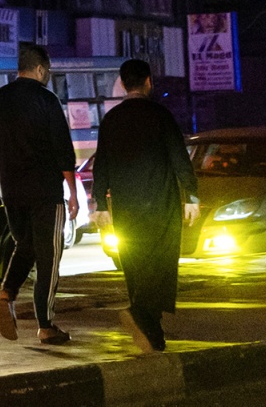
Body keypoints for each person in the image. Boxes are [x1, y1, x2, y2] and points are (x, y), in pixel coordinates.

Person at [91, 58, 198, 353]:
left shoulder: (111, 119)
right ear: (148, 81)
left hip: (125, 206)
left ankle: (153, 333)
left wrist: (100, 204)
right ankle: (140, 314)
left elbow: (102, 163)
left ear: (123, 83)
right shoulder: (159, 115)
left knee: (135, 265)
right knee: (160, 266)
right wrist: (191, 195)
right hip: (160, 204)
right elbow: (179, 157)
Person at [0, 42, 79, 345]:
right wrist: (73, 193)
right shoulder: (47, 100)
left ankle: (7, 293)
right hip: (45, 192)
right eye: (46, 70)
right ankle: (46, 325)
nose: (47, 75)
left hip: (10, 191)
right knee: (49, 257)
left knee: (25, 245)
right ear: (39, 69)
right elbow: (63, 150)